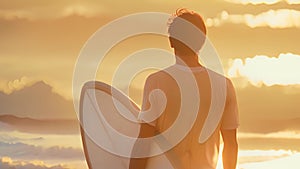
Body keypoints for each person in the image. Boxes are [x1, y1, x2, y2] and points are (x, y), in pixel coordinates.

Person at [129, 8, 239, 169]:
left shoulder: (157, 82)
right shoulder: (224, 86)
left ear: (171, 41)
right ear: (202, 41)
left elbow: (143, 143)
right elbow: (230, 146)